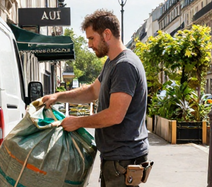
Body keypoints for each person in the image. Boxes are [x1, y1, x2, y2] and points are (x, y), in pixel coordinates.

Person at [41, 10, 149, 187]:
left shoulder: (124, 65)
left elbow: (115, 115)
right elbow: (92, 91)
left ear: (107, 34)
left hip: (124, 158)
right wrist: (58, 96)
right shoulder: (112, 63)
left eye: (92, 38)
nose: (89, 45)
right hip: (116, 157)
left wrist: (77, 122)